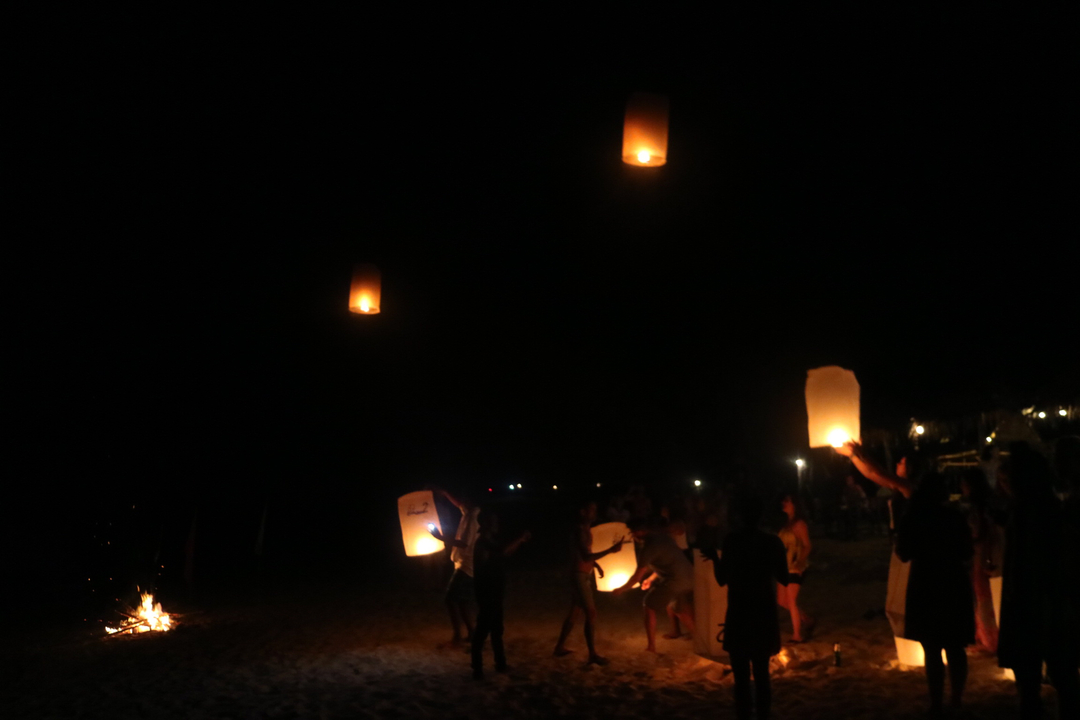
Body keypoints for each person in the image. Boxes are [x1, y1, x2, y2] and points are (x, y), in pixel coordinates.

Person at [997, 442, 1079, 720]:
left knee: (1041, 678)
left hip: (1035, 601)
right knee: (1061, 677)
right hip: (1050, 600)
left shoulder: (1030, 513)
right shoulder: (1048, 509)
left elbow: (1028, 561)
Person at [702, 490, 789, 720]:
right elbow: (783, 577)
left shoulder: (733, 541)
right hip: (762, 612)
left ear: (740, 515)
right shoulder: (772, 542)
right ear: (761, 516)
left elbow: (722, 579)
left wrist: (714, 558)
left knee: (741, 679)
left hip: (740, 612)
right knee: (762, 676)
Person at [896, 472, 974, 717]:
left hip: (925, 583)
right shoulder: (953, 516)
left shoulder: (913, 518)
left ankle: (937, 703)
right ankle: (956, 699)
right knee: (955, 646)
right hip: (952, 582)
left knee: (932, 648)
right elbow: (966, 551)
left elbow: (903, 553)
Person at [554, 501, 623, 664]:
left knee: (575, 611)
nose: (595, 513)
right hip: (579, 575)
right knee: (591, 613)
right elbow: (585, 556)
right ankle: (592, 654)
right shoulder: (580, 531)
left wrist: (596, 566)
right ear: (583, 512)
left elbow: (584, 554)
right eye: (592, 510)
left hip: (583, 574)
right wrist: (611, 551)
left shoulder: (585, 531)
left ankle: (559, 647)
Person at [613, 517, 695, 652]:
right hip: (689, 577)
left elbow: (636, 576)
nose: (632, 536)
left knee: (649, 604)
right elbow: (668, 563)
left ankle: (651, 646)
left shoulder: (649, 547)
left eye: (633, 532)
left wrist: (621, 589)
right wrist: (650, 579)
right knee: (678, 607)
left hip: (676, 580)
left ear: (640, 532)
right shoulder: (664, 538)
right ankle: (698, 638)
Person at [470, 507, 530, 680]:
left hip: (495, 591)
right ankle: (477, 667)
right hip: (487, 591)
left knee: (496, 629)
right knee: (483, 629)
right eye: (493, 521)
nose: (497, 524)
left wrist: (520, 541)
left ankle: (500, 663)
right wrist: (519, 539)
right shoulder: (482, 543)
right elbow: (502, 552)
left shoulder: (491, 542)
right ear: (486, 524)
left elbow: (505, 552)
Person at [428, 487, 479, 648]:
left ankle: (458, 636)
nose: (461, 502)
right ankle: (471, 633)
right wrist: (445, 493)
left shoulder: (472, 518)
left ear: (470, 501)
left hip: (466, 565)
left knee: (450, 600)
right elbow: (459, 505)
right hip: (463, 564)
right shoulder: (468, 512)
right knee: (462, 601)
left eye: (464, 499)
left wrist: (440, 537)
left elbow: (463, 543)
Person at [960, 467, 1001, 653]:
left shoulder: (978, 507)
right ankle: (987, 636)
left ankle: (991, 639)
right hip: (983, 552)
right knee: (982, 594)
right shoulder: (989, 503)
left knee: (983, 594)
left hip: (981, 552)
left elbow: (980, 531)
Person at [776, 494, 814, 642]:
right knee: (782, 601)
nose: (784, 503)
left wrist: (800, 562)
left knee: (791, 600)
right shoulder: (787, 524)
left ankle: (797, 635)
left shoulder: (799, 524)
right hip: (784, 566)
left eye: (787, 501)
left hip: (795, 566)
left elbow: (807, 545)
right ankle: (806, 619)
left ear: (795, 505)